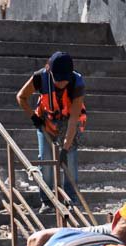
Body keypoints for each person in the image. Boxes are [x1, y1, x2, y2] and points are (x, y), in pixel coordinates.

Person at [17, 51, 87, 212]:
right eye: (58, 79)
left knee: (70, 162)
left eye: (65, 80)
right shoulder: (39, 78)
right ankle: (47, 200)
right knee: (46, 160)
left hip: (68, 124)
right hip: (46, 122)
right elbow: (21, 97)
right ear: (49, 70)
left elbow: (73, 120)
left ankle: (71, 201)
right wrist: (34, 118)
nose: (61, 83)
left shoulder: (77, 83)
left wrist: (65, 148)